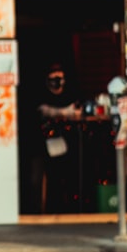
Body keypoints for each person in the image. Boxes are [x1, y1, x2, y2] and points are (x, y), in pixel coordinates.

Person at [33, 63, 84, 213]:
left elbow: (77, 110)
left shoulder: (70, 93)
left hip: (68, 142)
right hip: (43, 144)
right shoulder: (41, 94)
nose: (58, 82)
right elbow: (43, 110)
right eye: (54, 78)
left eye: (61, 78)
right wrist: (65, 112)